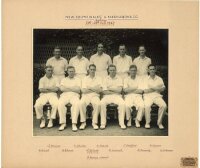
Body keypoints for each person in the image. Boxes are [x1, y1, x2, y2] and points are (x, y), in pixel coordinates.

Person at [100, 64, 126, 130]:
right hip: (107, 96)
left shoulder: (119, 78)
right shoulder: (105, 78)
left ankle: (122, 123)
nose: (112, 71)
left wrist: (110, 88)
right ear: (108, 70)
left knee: (122, 103)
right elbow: (104, 91)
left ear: (116, 70)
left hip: (117, 96)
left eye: (114, 70)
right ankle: (103, 123)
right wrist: (114, 90)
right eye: (111, 70)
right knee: (102, 103)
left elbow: (119, 90)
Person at [143, 64, 167, 129]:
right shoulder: (145, 79)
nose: (152, 70)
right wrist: (157, 88)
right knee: (147, 106)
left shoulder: (159, 79)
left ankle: (159, 123)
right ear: (148, 70)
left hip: (157, 96)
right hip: (147, 96)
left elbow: (163, 89)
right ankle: (147, 123)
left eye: (153, 69)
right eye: (150, 69)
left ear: (155, 70)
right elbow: (145, 91)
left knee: (164, 106)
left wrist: (151, 87)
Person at [58, 66, 81, 132]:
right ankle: (63, 123)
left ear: (74, 72)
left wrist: (67, 88)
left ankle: (74, 123)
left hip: (74, 95)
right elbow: (62, 89)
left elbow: (78, 90)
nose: (71, 73)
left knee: (76, 104)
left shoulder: (78, 79)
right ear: (67, 72)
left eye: (72, 71)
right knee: (60, 103)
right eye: (70, 71)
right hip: (64, 95)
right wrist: (73, 88)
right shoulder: (63, 79)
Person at [79, 64, 102, 130]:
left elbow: (100, 90)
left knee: (98, 104)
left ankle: (94, 123)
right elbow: (84, 91)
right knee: (81, 103)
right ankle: (83, 122)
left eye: (93, 69)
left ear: (95, 70)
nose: (92, 71)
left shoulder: (99, 78)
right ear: (88, 70)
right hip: (86, 96)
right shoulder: (84, 78)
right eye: (91, 69)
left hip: (95, 96)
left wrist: (90, 87)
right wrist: (95, 88)